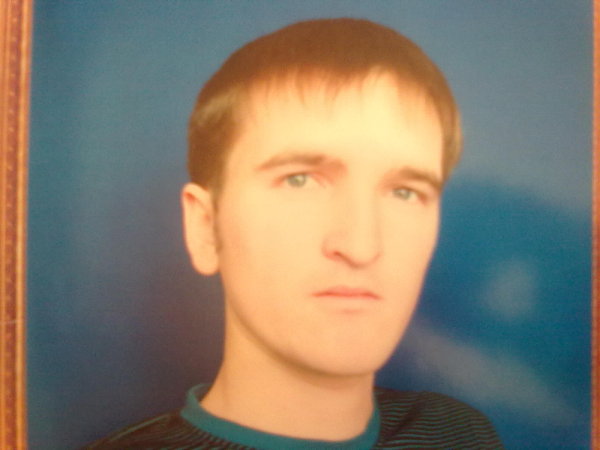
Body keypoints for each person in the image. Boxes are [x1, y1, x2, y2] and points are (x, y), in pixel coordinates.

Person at [88, 18, 502, 449]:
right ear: (205, 227)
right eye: (299, 180)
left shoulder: (460, 434)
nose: (361, 246)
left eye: (405, 192)